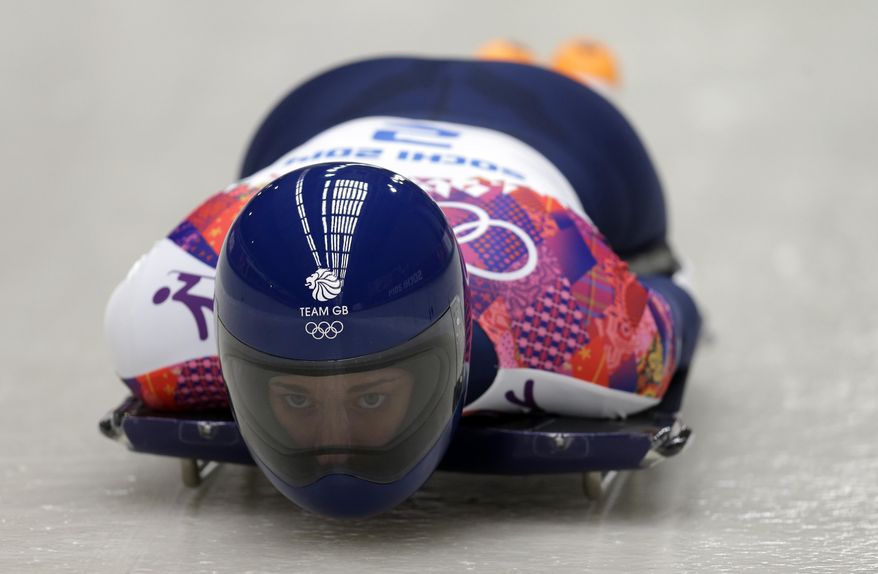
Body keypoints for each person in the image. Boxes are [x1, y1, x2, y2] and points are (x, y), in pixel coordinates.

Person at [104, 40, 702, 517]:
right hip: (368, 111)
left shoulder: (567, 317)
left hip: (549, 127)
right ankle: (541, 68)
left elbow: (674, 294)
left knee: (634, 233)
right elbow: (674, 302)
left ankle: (569, 78)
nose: (334, 445)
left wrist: (652, 285)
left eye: (369, 397)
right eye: (293, 397)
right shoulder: (587, 331)